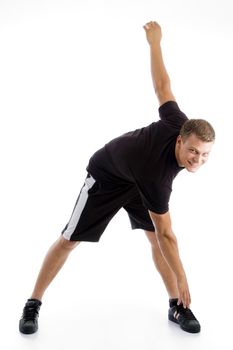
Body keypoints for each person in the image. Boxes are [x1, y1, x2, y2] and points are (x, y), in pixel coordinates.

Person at [19, 21, 215, 335]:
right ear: (181, 140)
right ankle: (32, 303)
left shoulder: (180, 122)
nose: (198, 160)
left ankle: (176, 307)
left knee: (154, 240)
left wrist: (154, 44)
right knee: (70, 239)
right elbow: (169, 236)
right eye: (193, 151)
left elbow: (162, 86)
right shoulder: (158, 177)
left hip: (136, 180)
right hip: (107, 175)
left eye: (205, 155)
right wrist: (184, 276)